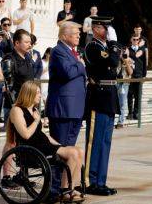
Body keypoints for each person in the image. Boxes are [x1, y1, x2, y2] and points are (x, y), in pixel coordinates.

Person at [6, 81, 85, 202]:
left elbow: (43, 135)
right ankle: (64, 191)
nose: (40, 95)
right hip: (32, 149)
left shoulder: (35, 110)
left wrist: (59, 145)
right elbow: (25, 135)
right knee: (73, 153)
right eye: (37, 93)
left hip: (43, 145)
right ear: (29, 94)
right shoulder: (17, 110)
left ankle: (71, 188)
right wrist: (36, 121)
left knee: (78, 151)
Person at [46, 21, 86, 199]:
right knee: (60, 151)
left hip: (74, 108)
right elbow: (68, 72)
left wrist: (78, 62)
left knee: (70, 152)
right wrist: (80, 64)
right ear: (64, 35)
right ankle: (54, 189)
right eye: (76, 33)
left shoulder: (71, 51)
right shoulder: (58, 51)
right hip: (63, 109)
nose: (79, 35)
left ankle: (67, 187)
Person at [83, 16, 120, 196]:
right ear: (96, 28)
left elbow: (114, 68)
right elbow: (112, 62)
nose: (108, 30)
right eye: (105, 27)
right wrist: (114, 43)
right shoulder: (92, 47)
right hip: (98, 98)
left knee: (105, 142)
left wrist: (112, 47)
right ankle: (90, 181)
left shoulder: (105, 47)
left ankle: (101, 181)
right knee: (94, 142)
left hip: (109, 97)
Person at [0, 29, 34, 188]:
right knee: (12, 142)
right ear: (16, 43)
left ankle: (23, 174)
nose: (29, 44)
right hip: (14, 106)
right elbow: (10, 85)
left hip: (29, 105)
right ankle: (6, 176)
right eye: (26, 42)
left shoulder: (28, 58)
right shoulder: (9, 59)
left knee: (26, 141)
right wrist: (17, 108)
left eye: (30, 42)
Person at [127, 34, 146, 120]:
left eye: (137, 40)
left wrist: (144, 75)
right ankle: (130, 113)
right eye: (134, 39)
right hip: (130, 75)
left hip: (139, 75)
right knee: (130, 95)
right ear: (131, 40)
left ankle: (136, 113)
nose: (135, 41)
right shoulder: (128, 49)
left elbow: (144, 63)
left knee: (138, 95)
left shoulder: (142, 50)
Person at [116, 48, 133, 128]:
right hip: (115, 83)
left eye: (126, 53)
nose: (124, 55)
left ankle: (121, 121)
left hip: (124, 84)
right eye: (123, 53)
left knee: (122, 103)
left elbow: (130, 73)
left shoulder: (130, 61)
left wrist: (126, 62)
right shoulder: (116, 60)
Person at [40, 47, 51, 127]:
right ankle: (45, 120)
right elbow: (39, 72)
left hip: (50, 84)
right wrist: (47, 68)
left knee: (48, 102)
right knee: (44, 101)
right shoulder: (42, 62)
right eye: (49, 54)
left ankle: (46, 119)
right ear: (46, 53)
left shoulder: (53, 62)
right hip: (42, 83)